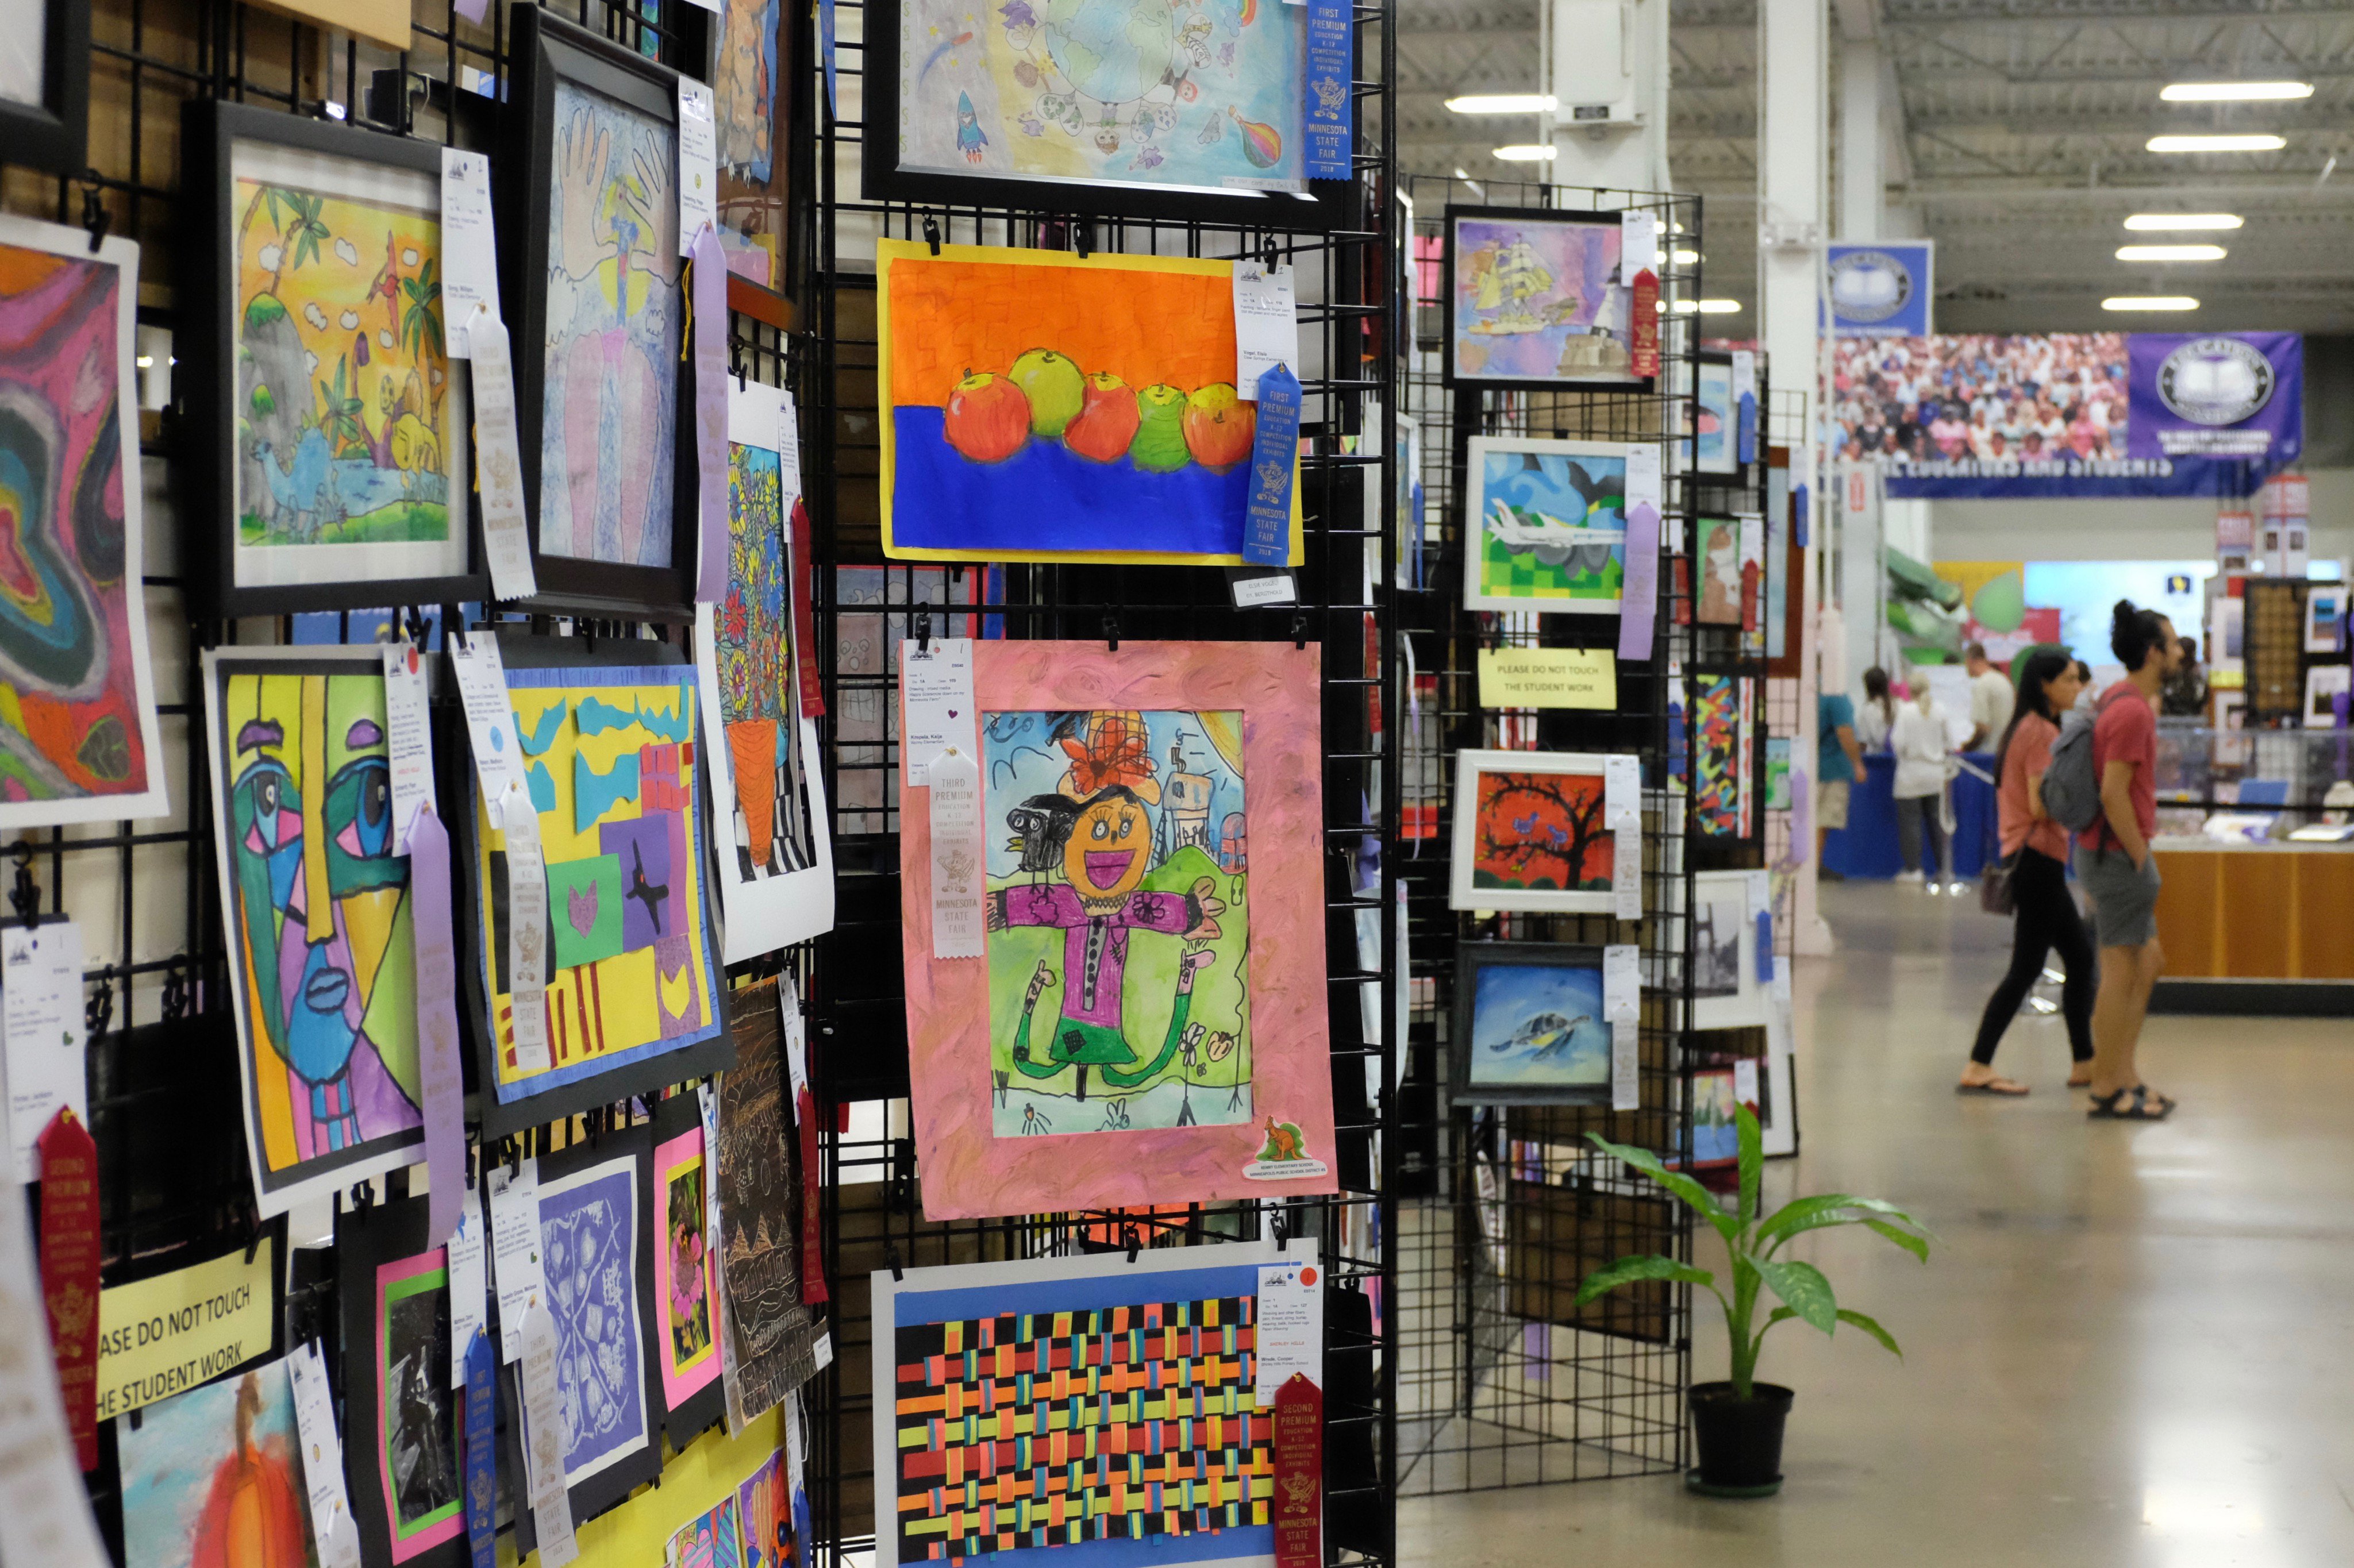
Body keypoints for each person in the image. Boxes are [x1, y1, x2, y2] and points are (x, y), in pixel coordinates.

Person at [1960, 650, 2095, 1095]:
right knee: (2028, 967)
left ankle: (2084, 1062)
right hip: (2036, 859)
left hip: (2039, 860)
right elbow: (2041, 804)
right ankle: (1979, 1063)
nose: (2077, 688)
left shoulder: (2032, 728)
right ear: (2045, 684)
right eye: (2070, 680)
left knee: (2078, 957)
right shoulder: (2039, 732)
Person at [2081, 600, 2183, 1120]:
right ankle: (2105, 1085)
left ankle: (2125, 1075)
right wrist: (2142, 859)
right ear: (2152, 652)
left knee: (2148, 961)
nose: (2181, 651)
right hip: (2118, 855)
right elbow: (2113, 793)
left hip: (2117, 853)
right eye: (2173, 642)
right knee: (2122, 968)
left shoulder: (2122, 700)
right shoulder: (2130, 710)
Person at [1890, 679, 1954, 888]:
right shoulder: (1941, 710)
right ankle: (1943, 870)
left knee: (1911, 823)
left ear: (1910, 690)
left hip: (1910, 774)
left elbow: (1897, 742)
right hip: (1935, 774)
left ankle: (1913, 869)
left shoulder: (1905, 711)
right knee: (1937, 824)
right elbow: (1950, 743)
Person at [1817, 686, 1865, 877]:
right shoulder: (1836, 696)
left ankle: (1815, 865)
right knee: (1823, 820)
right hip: (1832, 768)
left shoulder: (1813, 691)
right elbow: (1844, 731)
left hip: (1814, 766)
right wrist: (1857, 763)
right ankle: (1815, 866)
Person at [1963, 642, 2012, 751]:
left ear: (1970, 661)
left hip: (1990, 753)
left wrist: (1966, 749)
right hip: (2006, 750)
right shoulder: (2003, 680)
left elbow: (1983, 729)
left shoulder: (1982, 685)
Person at [2162, 634, 2209, 717]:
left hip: (2192, 723)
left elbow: (2205, 706)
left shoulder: (2200, 677)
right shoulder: (2168, 678)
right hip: (2170, 723)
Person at [1855, 665, 1897, 753]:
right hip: (1896, 759)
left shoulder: (1867, 710)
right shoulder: (1897, 705)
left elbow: (1863, 743)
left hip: (1876, 761)